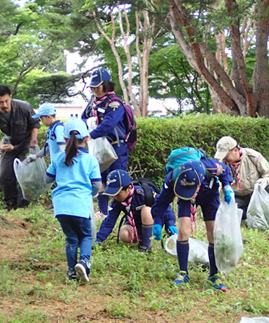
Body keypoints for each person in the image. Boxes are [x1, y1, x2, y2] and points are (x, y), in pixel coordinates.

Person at [151, 157, 234, 291]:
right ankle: (183, 273)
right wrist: (157, 222)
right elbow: (161, 202)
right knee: (183, 230)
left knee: (213, 232)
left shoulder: (211, 167)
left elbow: (226, 171)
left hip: (209, 194)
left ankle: (214, 275)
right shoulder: (172, 179)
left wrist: (227, 186)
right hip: (185, 198)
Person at [45, 118, 102, 283]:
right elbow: (97, 184)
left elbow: (48, 179)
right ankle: (84, 262)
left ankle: (71, 272)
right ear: (86, 139)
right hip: (80, 204)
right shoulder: (90, 160)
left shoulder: (58, 158)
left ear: (64, 139)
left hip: (61, 206)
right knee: (86, 236)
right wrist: (90, 193)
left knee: (71, 238)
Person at [81, 68, 130, 218]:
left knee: (118, 178)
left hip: (116, 147)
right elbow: (83, 118)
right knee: (100, 176)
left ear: (106, 85)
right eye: (93, 87)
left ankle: (125, 209)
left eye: (98, 86)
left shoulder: (115, 103)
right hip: (99, 147)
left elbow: (109, 124)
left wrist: (90, 135)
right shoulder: (92, 102)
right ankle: (102, 211)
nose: (95, 90)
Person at [0, 84, 40, 210]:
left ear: (10, 97)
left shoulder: (24, 106)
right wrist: (2, 147)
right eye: (0, 102)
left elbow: (35, 124)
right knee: (5, 174)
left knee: (25, 173)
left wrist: (33, 140)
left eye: (6, 101)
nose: (4, 105)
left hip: (26, 143)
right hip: (8, 144)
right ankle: (10, 203)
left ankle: (23, 203)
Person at [96, 169, 177, 252]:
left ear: (129, 187)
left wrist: (170, 223)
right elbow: (109, 221)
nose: (114, 197)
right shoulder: (118, 201)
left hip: (152, 222)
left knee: (146, 210)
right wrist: (98, 239)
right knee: (123, 234)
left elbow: (164, 206)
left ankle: (146, 245)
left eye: (117, 193)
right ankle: (141, 237)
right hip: (134, 224)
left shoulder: (143, 193)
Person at [214, 136, 269, 219]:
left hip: (256, 194)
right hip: (237, 197)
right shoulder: (222, 164)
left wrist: (264, 181)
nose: (224, 158)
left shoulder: (252, 156)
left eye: (226, 155)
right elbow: (218, 182)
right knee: (231, 216)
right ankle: (248, 214)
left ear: (235, 151)